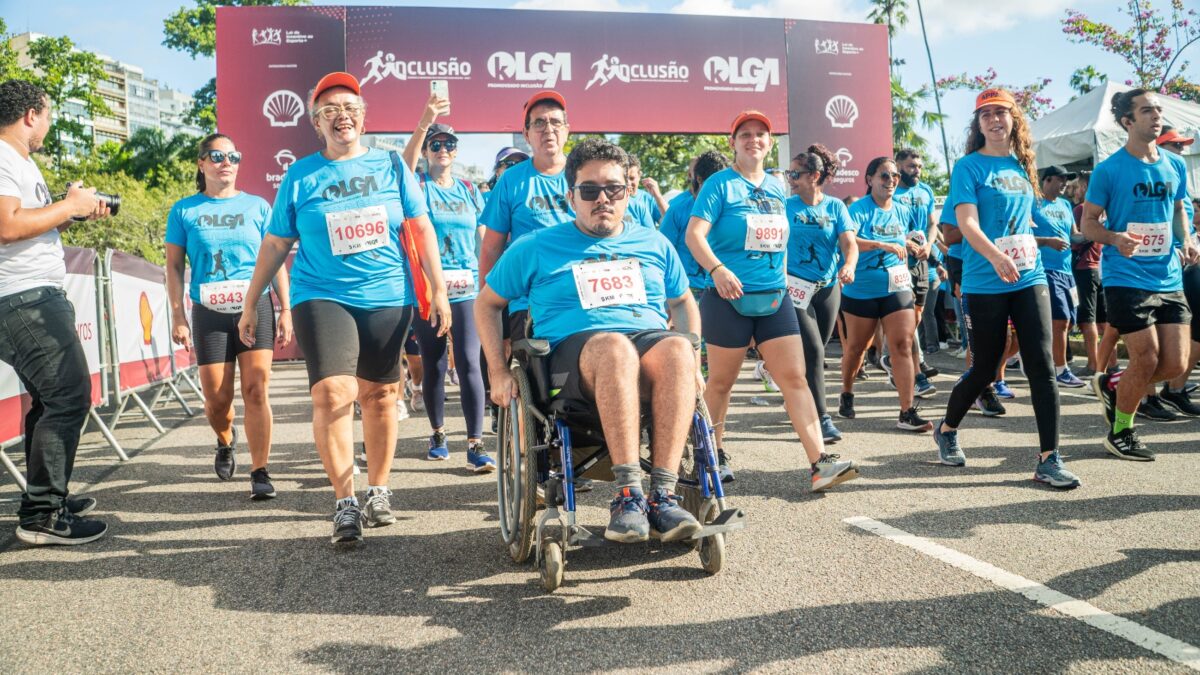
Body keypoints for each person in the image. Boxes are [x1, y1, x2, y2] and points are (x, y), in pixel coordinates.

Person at [238, 72, 452, 545]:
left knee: (379, 396)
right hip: (322, 294)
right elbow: (275, 243)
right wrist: (253, 301)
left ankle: (379, 489)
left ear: (363, 117)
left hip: (386, 295)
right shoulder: (301, 174)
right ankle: (345, 501)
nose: (342, 116)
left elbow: (420, 228)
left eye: (350, 108)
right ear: (316, 123)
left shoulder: (391, 166)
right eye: (330, 110)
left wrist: (437, 289)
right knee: (334, 392)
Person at [477, 138, 703, 542]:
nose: (603, 198)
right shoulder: (536, 246)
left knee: (677, 347)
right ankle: (628, 494)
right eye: (590, 190)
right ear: (571, 196)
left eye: (613, 188)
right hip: (572, 362)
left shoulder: (654, 244)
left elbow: (684, 302)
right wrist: (497, 369)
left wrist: (694, 360)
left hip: (646, 347)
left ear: (628, 193)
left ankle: (663, 496)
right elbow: (487, 304)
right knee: (614, 346)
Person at [686, 111, 859, 491]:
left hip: (775, 299)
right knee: (721, 384)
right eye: (745, 134)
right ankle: (714, 455)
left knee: (795, 379)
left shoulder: (780, 187)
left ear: (769, 142)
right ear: (733, 142)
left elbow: (781, 238)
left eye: (761, 134)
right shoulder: (720, 185)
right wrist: (716, 270)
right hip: (727, 297)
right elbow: (694, 235)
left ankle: (819, 463)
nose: (754, 139)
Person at [933, 88, 1080, 489]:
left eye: (1002, 113)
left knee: (1041, 363)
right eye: (986, 115)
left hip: (1029, 274)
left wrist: (1039, 242)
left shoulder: (1023, 165)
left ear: (1015, 120)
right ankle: (947, 429)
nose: (995, 120)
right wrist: (996, 256)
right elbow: (965, 224)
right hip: (986, 279)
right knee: (985, 366)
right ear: (978, 125)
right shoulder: (969, 167)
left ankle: (1049, 458)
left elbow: (1024, 222)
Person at [0, 79, 111, 545]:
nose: (48, 124)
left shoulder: (19, 162)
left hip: (31, 294)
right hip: (22, 296)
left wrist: (72, 209)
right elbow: (6, 226)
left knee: (50, 399)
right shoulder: (3, 158)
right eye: (47, 115)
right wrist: (68, 205)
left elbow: (26, 220)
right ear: (30, 115)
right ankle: (43, 513)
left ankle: (47, 499)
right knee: (67, 396)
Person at [166, 134, 292, 498]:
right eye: (217, 156)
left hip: (255, 307)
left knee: (256, 389)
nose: (226, 162)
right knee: (218, 400)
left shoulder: (258, 206)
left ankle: (261, 470)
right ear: (201, 163)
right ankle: (224, 439)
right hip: (209, 311)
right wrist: (178, 314)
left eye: (233, 156)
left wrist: (286, 308)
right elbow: (173, 267)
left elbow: (275, 259)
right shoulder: (184, 210)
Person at [1083, 90, 1195, 461]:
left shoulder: (1174, 165)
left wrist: (1188, 237)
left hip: (1167, 275)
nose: (1156, 116)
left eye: (1158, 110)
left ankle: (1115, 384)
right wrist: (1114, 237)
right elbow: (1088, 223)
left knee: (1176, 364)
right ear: (1127, 121)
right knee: (1145, 359)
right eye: (1147, 111)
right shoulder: (1109, 170)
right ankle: (1121, 432)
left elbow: (1179, 208)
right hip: (1125, 274)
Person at [400, 97, 493, 470]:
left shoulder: (470, 190)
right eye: (435, 145)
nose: (443, 150)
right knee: (435, 364)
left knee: (471, 361)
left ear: (456, 152)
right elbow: (404, 165)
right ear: (426, 151)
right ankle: (438, 432)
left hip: (466, 286)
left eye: (449, 145)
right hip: (428, 289)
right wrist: (426, 121)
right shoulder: (418, 183)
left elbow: (484, 237)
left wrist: (490, 280)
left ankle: (475, 442)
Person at [837, 156, 931, 432]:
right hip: (862, 288)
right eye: (884, 176)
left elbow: (910, 235)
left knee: (902, 344)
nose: (890, 181)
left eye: (894, 177)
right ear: (869, 180)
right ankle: (846, 392)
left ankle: (907, 410)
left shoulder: (902, 209)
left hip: (898, 285)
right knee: (856, 348)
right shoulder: (858, 209)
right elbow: (849, 240)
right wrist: (883, 244)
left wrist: (917, 246)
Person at [478, 90, 575, 344]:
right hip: (528, 304)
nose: (548, 129)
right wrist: (489, 311)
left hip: (581, 297)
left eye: (555, 122)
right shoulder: (511, 180)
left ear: (567, 129)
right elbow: (490, 250)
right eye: (539, 123)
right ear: (526, 134)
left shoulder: (585, 175)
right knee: (534, 381)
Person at [784, 144, 858, 442]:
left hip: (827, 288)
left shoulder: (835, 207)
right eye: (789, 173)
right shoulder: (786, 206)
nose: (790, 178)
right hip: (794, 288)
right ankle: (822, 419)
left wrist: (849, 265)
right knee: (813, 350)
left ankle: (796, 394)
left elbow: (849, 244)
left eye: (795, 173)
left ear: (814, 176)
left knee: (814, 352)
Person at [1154, 127, 1200, 416]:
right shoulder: (1152, 177)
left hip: (1184, 264)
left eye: (1183, 146)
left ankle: (1174, 388)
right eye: (1175, 145)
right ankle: (1125, 385)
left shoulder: (1179, 179)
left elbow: (1185, 223)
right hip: (1159, 268)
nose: (1182, 151)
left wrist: (1189, 242)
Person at [1032, 165, 1086, 388]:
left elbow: (1075, 236)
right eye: (1060, 179)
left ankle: (1036, 361)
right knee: (1060, 320)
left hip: (1067, 271)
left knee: (1069, 320)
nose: (1065, 183)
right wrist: (1046, 241)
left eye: (1067, 180)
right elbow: (1021, 235)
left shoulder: (1065, 205)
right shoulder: (1033, 203)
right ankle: (1060, 370)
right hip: (1044, 270)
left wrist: (1100, 230)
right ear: (1047, 181)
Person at [892, 148, 939, 397]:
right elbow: (882, 221)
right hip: (896, 261)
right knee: (907, 319)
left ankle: (894, 359)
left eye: (919, 166)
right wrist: (902, 241)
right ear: (899, 165)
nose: (916, 170)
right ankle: (916, 373)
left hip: (922, 262)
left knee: (917, 317)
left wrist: (930, 245)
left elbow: (932, 223)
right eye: (911, 166)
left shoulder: (926, 190)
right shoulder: (890, 189)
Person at [1069, 171, 1110, 378]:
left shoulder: (1081, 210)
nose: (1074, 191)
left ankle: (1093, 364)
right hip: (1101, 268)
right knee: (1103, 321)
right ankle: (1108, 364)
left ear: (1085, 188)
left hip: (1084, 268)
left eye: (1076, 187)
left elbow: (1074, 239)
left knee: (1087, 319)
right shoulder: (1104, 210)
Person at [622, 153, 661, 229]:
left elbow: (669, 222)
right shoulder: (615, 201)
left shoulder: (649, 198)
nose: (628, 183)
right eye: (624, 178)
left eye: (632, 178)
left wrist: (658, 196)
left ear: (639, 175)